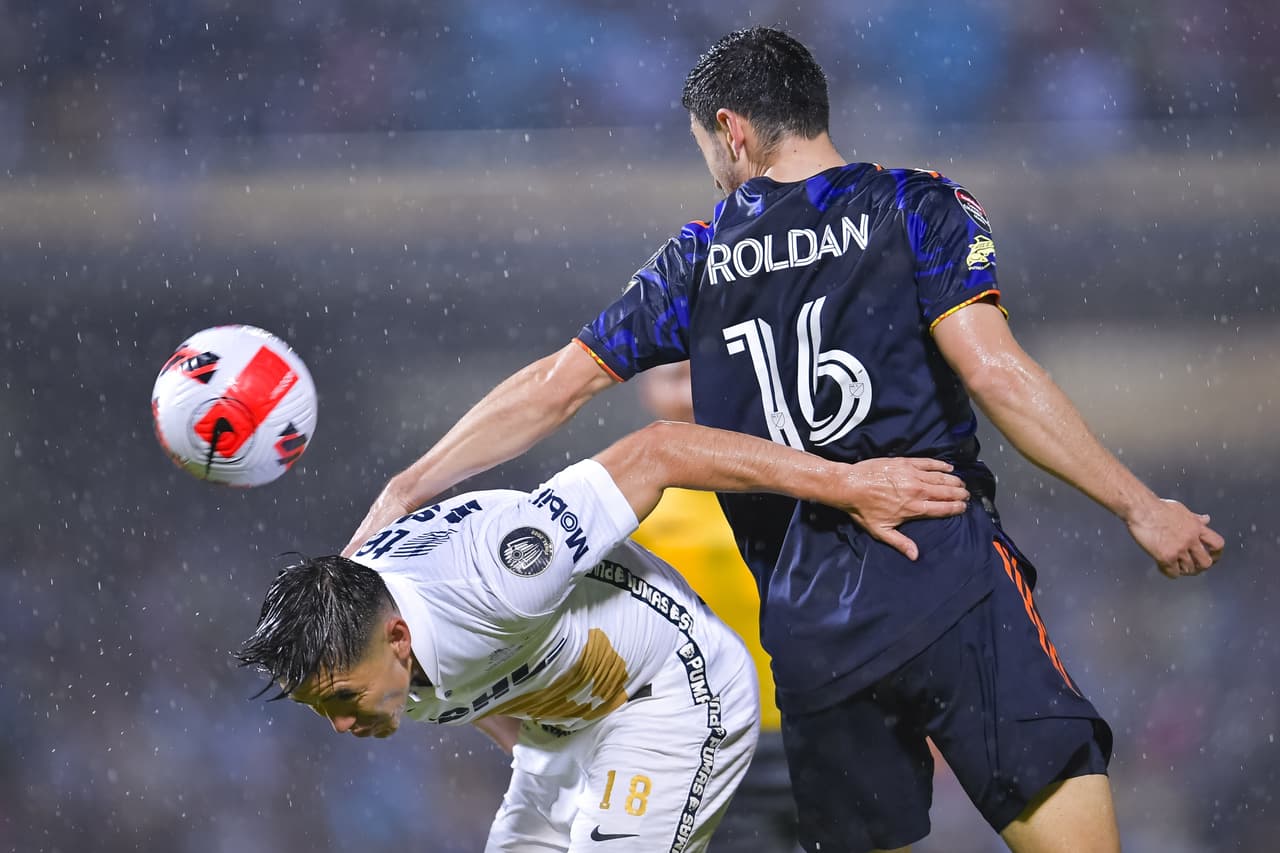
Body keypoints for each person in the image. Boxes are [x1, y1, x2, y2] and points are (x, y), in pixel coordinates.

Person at [342, 27, 1225, 853]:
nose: (714, 178)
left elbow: (552, 388)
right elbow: (996, 375)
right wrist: (1139, 505)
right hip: (945, 574)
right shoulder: (916, 206)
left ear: (731, 131)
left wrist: (409, 484)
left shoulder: (699, 256)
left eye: (704, 154)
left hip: (812, 631)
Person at [241, 420, 969, 852]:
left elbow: (659, 448)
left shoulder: (497, 571)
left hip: (676, 694)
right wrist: (541, 759)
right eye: (320, 709)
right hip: (573, 720)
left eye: (342, 699)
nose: (339, 724)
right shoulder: (368, 637)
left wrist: (844, 484)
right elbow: (468, 686)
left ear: (399, 637)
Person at [631, 362, 799, 852]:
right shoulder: (629, 503)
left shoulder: (786, 470)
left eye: (698, 372)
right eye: (673, 378)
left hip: (817, 722)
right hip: (710, 742)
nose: (691, 392)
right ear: (646, 390)